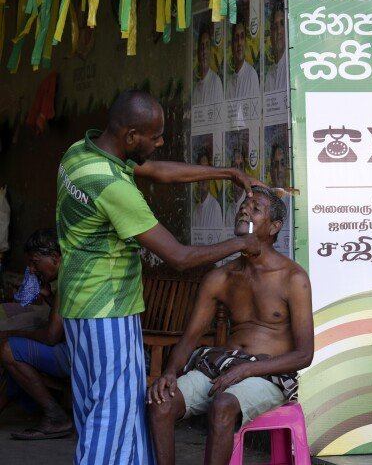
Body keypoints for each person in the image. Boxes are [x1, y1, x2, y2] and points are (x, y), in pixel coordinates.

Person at [56, 90, 264, 464]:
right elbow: (180, 257)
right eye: (155, 136)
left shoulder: (81, 155)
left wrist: (226, 172)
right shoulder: (114, 188)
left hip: (77, 303)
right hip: (108, 309)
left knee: (104, 406)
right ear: (131, 136)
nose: (161, 142)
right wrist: (242, 242)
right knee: (112, 413)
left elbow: (157, 171)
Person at [147, 187, 313, 465]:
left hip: (267, 374)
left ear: (274, 227)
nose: (244, 210)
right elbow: (190, 338)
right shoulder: (220, 277)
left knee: (223, 405)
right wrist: (168, 373)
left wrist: (247, 369)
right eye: (243, 205)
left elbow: (304, 355)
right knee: (161, 401)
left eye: (255, 208)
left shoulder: (293, 278)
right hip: (222, 367)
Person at [0, 229, 71, 440]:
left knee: (8, 348)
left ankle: (56, 417)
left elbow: (51, 336)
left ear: (55, 258)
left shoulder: (68, 280)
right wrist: (50, 298)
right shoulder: (69, 274)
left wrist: (13, 333)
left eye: (34, 263)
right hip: (77, 350)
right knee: (15, 352)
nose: (32, 269)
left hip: (79, 357)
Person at [225, 20, 260, 103]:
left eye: (242, 37)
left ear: (245, 43)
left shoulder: (251, 75)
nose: (239, 43)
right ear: (232, 46)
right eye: (236, 38)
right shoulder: (229, 84)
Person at [192, 23, 224, 107]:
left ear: (210, 51)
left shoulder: (216, 82)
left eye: (207, 46)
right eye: (202, 47)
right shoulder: (196, 90)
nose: (204, 51)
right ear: (198, 53)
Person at [193, 151, 224, 229]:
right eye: (201, 170)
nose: (204, 176)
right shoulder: (195, 211)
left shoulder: (215, 207)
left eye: (206, 170)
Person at [263, 0, 286, 93]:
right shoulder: (269, 75)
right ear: (271, 35)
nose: (279, 31)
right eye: (275, 27)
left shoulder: (291, 68)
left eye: (282, 24)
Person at [225, 149, 247, 228]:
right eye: (235, 167)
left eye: (241, 166)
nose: (238, 173)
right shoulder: (229, 211)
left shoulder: (250, 205)